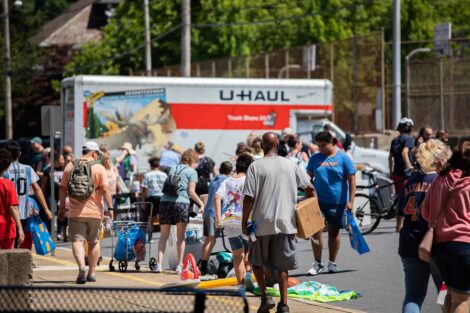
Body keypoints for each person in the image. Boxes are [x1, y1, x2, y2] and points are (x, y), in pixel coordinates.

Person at [242, 132, 315, 313]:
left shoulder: (255, 166)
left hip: (261, 223)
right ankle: (284, 304)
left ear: (262, 146)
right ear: (277, 145)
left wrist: (244, 220)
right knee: (282, 267)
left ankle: (266, 297)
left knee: (256, 262)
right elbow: (310, 187)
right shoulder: (290, 165)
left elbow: (249, 198)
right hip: (285, 222)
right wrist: (309, 209)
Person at [396, 139, 451, 313]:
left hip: (410, 244)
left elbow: (401, 212)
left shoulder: (409, 183)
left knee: (413, 296)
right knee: (445, 293)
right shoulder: (441, 182)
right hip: (435, 246)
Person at [421, 141, 470, 313]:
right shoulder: (465, 180)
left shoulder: (439, 180)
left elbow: (425, 212)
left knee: (446, 291)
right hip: (463, 245)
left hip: (438, 247)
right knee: (463, 299)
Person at [58, 141, 113, 284]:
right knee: (94, 242)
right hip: (95, 212)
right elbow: (106, 190)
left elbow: (63, 189)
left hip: (75, 212)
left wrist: (62, 208)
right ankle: (92, 273)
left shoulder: (70, 166)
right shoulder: (99, 168)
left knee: (77, 241)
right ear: (94, 153)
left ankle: (81, 267)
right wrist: (111, 208)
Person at [306, 131, 356, 275]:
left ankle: (332, 262)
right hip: (318, 202)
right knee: (316, 232)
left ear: (331, 143)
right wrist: (307, 192)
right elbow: (307, 178)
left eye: (323, 145)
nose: (320, 148)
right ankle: (317, 263)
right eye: (318, 145)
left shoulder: (343, 158)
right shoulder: (314, 158)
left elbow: (352, 181)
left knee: (334, 233)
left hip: (338, 203)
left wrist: (351, 201)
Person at [155, 149, 205, 273]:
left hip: (165, 202)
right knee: (180, 236)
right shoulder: (192, 172)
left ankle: (159, 265)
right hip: (181, 203)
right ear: (193, 160)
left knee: (163, 236)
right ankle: (179, 265)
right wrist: (201, 204)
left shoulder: (174, 168)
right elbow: (191, 192)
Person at [3, 140, 52, 250]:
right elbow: (37, 189)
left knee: (9, 242)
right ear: (19, 154)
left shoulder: (3, 170)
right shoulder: (28, 169)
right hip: (24, 212)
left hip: (8, 212)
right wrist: (46, 209)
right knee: (21, 240)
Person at [215, 154, 254, 284]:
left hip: (230, 221)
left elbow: (217, 197)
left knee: (237, 255)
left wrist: (219, 219)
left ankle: (241, 284)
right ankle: (248, 273)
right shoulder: (249, 180)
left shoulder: (227, 181)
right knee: (252, 250)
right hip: (246, 220)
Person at [199, 161, 233, 276]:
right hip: (214, 213)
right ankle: (203, 266)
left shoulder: (214, 179)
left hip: (207, 212)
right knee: (212, 240)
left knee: (207, 240)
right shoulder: (226, 180)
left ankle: (202, 265)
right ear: (230, 171)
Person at [0, 149, 24, 249]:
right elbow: (13, 208)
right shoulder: (8, 184)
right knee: (7, 260)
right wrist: (20, 229)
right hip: (7, 228)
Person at [41, 153, 65, 240]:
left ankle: (59, 232)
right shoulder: (47, 170)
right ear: (56, 161)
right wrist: (42, 195)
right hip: (50, 194)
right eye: (61, 159)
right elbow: (43, 184)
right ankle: (50, 232)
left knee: (60, 212)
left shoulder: (65, 169)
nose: (63, 161)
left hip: (61, 194)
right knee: (51, 211)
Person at [389, 117, 415, 195]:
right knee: (407, 197)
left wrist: (391, 171)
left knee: (398, 196)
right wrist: (410, 167)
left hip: (396, 174)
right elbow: (404, 152)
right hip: (406, 175)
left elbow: (390, 157)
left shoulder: (394, 140)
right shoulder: (409, 139)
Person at [141, 157, 167, 227]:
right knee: (161, 214)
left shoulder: (147, 175)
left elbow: (144, 188)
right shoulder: (164, 175)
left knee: (151, 214)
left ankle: (151, 229)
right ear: (159, 165)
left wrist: (143, 201)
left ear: (150, 165)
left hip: (151, 197)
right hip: (162, 197)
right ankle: (162, 230)